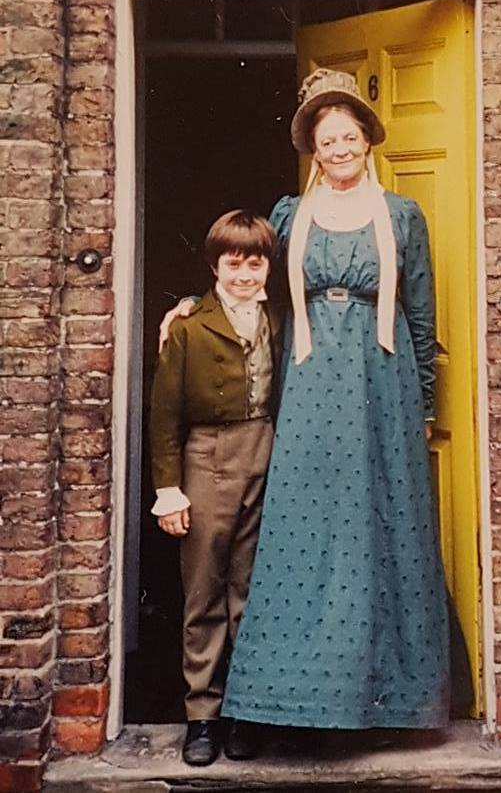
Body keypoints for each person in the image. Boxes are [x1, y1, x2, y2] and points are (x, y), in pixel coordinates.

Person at [162, 69, 449, 733]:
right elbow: (248, 279)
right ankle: (289, 700)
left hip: (382, 384)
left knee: (382, 527)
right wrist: (192, 306)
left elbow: (421, 312)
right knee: (305, 531)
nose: (339, 149)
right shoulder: (292, 214)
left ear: (367, 140)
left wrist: (424, 405)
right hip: (310, 385)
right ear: (314, 149)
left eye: (349, 136)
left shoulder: (402, 216)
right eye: (327, 140)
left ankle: (389, 699)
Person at [150, 209, 283, 765]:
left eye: (255, 265)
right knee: (205, 590)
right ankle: (202, 715)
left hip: (267, 452)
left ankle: (245, 711)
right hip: (207, 457)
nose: (245, 276)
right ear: (214, 267)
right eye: (234, 265)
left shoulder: (279, 316)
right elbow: (164, 416)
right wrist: (169, 490)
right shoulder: (188, 327)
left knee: (252, 590)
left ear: (268, 268)